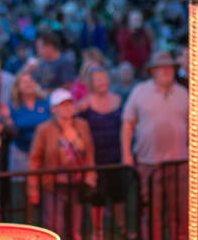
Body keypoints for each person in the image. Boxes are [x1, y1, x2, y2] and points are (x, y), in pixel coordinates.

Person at [121, 50, 188, 240]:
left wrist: (194, 153)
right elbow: (127, 124)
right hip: (148, 163)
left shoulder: (183, 94)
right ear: (153, 71)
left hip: (179, 163)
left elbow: (192, 126)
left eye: (170, 67)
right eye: (161, 67)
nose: (166, 71)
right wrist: (126, 153)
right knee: (150, 211)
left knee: (181, 212)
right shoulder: (139, 92)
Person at [29, 89, 96, 240]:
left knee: (75, 225)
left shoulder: (82, 125)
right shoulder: (44, 130)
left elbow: (89, 151)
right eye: (62, 105)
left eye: (69, 103)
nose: (67, 107)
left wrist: (91, 174)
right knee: (54, 225)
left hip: (77, 183)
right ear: (53, 109)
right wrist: (33, 188)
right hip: (54, 185)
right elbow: (35, 159)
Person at [77, 67, 127, 240]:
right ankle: (97, 231)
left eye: (104, 80)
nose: (102, 84)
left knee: (119, 193)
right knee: (97, 195)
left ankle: (122, 227)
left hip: (116, 156)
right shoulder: (85, 104)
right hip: (96, 157)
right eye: (98, 81)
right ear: (91, 84)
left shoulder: (118, 100)